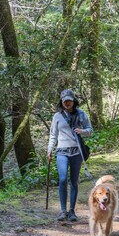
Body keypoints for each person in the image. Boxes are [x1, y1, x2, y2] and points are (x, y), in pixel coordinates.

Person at [47, 89, 93, 222]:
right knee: (62, 179)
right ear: (61, 102)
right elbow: (53, 135)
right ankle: (62, 211)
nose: (67, 103)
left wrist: (82, 131)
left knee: (74, 181)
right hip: (61, 151)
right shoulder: (57, 116)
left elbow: (90, 130)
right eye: (65, 100)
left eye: (69, 100)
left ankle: (72, 211)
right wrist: (50, 150)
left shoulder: (81, 114)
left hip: (76, 151)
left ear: (74, 101)